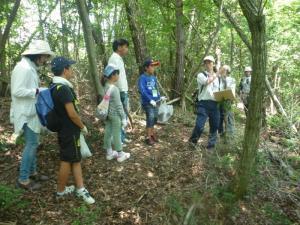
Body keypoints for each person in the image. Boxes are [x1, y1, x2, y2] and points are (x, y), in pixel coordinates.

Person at [51, 57, 95, 204]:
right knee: (67, 160)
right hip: (70, 130)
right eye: (70, 67)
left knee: (74, 159)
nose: (72, 70)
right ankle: (61, 191)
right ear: (65, 70)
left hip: (64, 129)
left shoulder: (54, 86)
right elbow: (71, 113)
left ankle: (79, 188)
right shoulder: (63, 89)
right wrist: (82, 126)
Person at [11, 40, 54, 190]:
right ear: (37, 55)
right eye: (44, 56)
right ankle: (23, 179)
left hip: (30, 111)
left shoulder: (29, 67)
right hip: (26, 113)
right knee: (31, 144)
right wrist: (37, 91)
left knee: (34, 143)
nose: (45, 60)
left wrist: (37, 90)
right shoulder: (24, 68)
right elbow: (17, 91)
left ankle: (33, 172)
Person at [189, 55, 221, 150]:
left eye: (210, 62)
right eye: (206, 62)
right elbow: (207, 82)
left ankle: (211, 146)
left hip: (215, 104)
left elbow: (219, 90)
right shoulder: (201, 75)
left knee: (215, 126)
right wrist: (218, 73)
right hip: (203, 104)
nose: (208, 64)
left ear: (213, 64)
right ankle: (192, 142)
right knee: (199, 126)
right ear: (204, 64)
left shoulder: (218, 78)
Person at [101, 64, 131, 162]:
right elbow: (119, 106)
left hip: (108, 114)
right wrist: (123, 118)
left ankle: (109, 153)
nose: (118, 76)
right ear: (113, 75)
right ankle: (120, 154)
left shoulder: (105, 86)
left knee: (108, 132)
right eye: (117, 74)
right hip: (115, 115)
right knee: (117, 134)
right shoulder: (114, 89)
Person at [107, 39, 131, 145]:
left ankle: (122, 136)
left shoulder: (118, 58)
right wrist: (120, 90)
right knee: (120, 115)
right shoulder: (114, 59)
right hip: (119, 91)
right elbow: (113, 76)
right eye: (125, 47)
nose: (127, 49)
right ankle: (119, 140)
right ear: (119, 47)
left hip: (122, 90)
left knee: (124, 115)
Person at [138, 58, 166, 145]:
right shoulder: (142, 78)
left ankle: (152, 134)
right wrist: (150, 100)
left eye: (154, 66)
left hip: (155, 102)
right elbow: (142, 91)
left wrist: (159, 97)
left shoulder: (153, 77)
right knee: (150, 118)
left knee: (154, 118)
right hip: (147, 103)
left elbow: (155, 89)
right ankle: (148, 137)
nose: (153, 68)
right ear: (146, 68)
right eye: (152, 66)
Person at [218, 65, 236, 137]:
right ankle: (220, 132)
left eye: (225, 70)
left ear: (228, 71)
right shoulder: (218, 79)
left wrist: (232, 98)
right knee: (219, 116)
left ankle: (230, 133)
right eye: (222, 70)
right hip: (219, 99)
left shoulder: (231, 79)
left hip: (227, 100)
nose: (223, 72)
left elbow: (232, 90)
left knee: (228, 117)